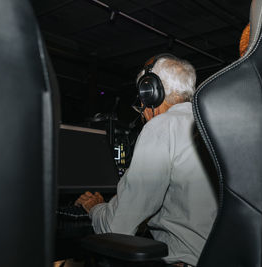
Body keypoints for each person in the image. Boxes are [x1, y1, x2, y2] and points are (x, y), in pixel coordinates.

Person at [75, 54, 218, 266]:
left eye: (141, 103)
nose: (143, 113)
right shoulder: (214, 122)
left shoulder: (162, 125)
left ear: (150, 92)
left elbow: (117, 227)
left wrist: (95, 208)